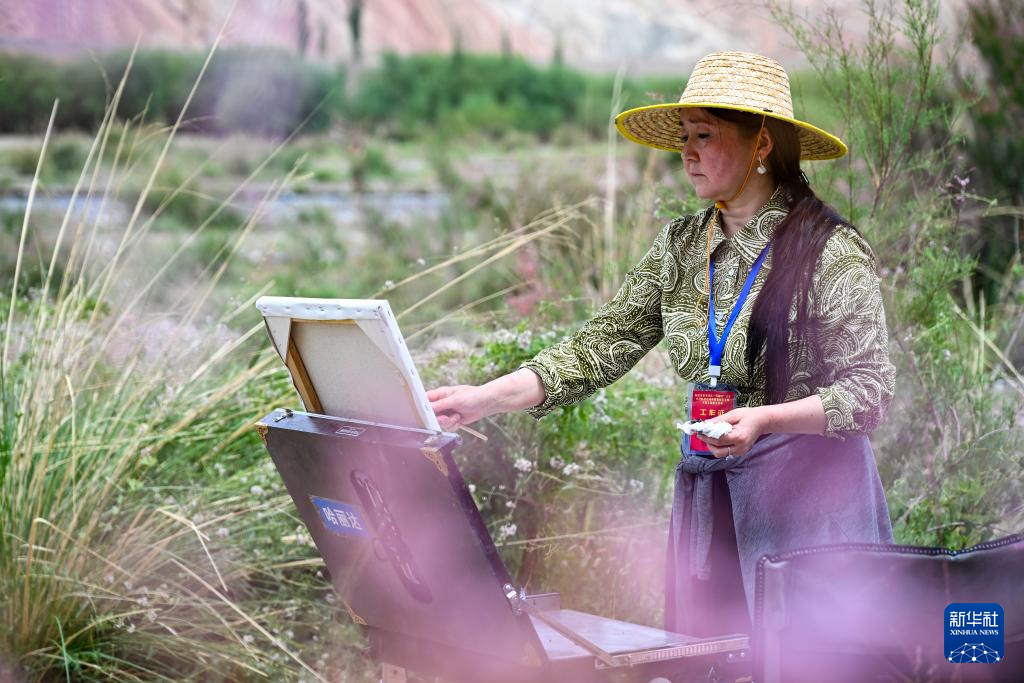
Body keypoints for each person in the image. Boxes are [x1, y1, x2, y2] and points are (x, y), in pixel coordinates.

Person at [427, 51, 895, 638]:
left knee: (810, 661)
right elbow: (602, 343)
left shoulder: (830, 252)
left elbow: (871, 392)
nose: (687, 153)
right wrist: (483, 399)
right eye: (683, 137)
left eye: (704, 135)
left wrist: (764, 420)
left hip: (811, 511)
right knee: (710, 664)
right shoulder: (681, 246)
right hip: (713, 501)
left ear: (762, 146)